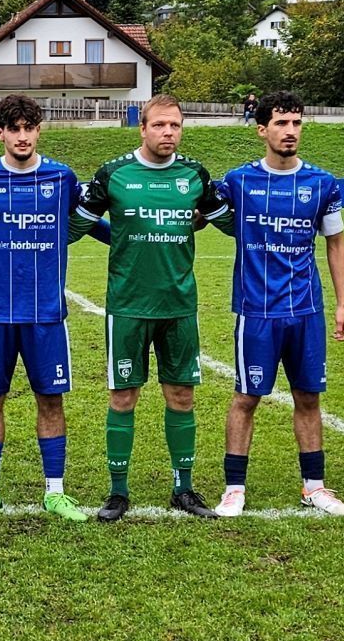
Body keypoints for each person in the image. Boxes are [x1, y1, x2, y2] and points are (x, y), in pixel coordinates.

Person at [73, 93, 229, 522]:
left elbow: (227, 220)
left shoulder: (195, 175)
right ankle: (118, 491)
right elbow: (76, 225)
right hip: (127, 305)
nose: (168, 132)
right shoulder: (114, 173)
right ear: (142, 128)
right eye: (159, 124)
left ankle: (184, 488)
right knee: (123, 396)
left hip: (179, 305)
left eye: (175, 125)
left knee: (181, 395)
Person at [0, 95, 100, 523]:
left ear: (39, 131)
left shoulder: (61, 177)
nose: (22, 136)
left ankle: (56, 492)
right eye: (13, 129)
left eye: (29, 128)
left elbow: (91, 223)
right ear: (0, 133)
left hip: (45, 314)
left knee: (50, 401)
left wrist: (131, 236)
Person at [208, 90, 344, 518]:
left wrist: (343, 304)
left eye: (296, 123)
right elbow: (202, 216)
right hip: (256, 311)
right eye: (281, 123)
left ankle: (315, 487)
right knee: (246, 398)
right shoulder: (238, 181)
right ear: (262, 130)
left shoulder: (322, 183)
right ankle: (234, 489)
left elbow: (336, 243)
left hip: (306, 309)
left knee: (308, 398)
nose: (290, 131)